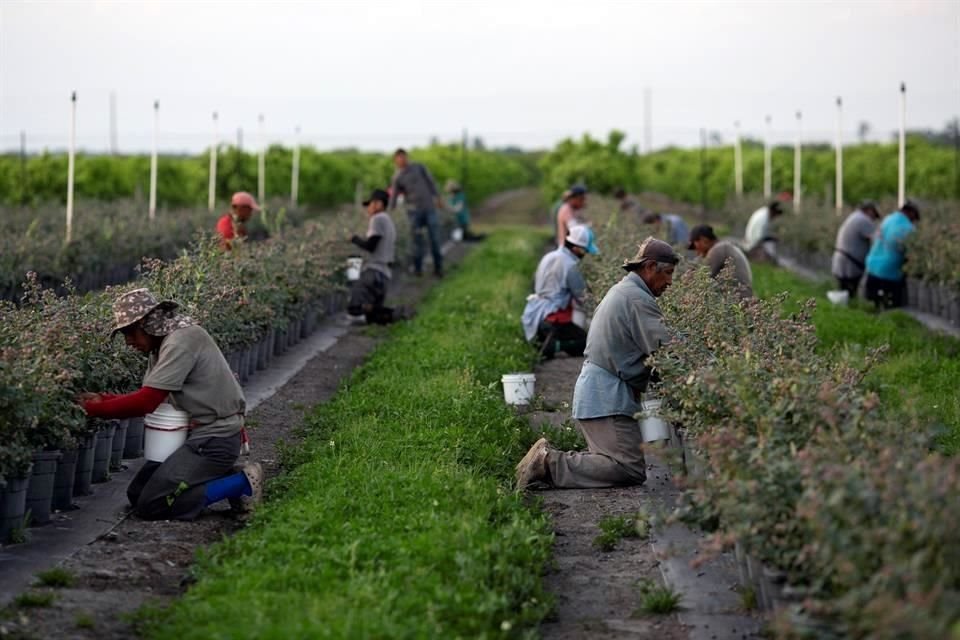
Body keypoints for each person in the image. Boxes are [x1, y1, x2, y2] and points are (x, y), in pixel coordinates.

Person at [79, 289, 261, 520]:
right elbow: (151, 394)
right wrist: (103, 398)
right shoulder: (163, 344)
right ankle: (220, 475)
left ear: (146, 324)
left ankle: (241, 484)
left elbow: (146, 402)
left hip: (216, 439)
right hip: (199, 436)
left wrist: (93, 409)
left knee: (153, 504)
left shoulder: (180, 342)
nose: (128, 341)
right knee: (137, 494)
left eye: (130, 332)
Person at [516, 237, 679, 490]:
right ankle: (549, 463)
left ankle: (549, 462)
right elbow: (669, 352)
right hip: (607, 399)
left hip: (601, 394)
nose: (670, 282)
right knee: (627, 467)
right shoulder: (637, 299)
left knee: (619, 463)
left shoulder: (625, 291)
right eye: (667, 273)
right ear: (649, 267)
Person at [521, 225, 597, 359]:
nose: (585, 254)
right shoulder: (571, 266)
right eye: (585, 251)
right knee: (586, 344)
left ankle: (543, 342)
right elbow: (582, 297)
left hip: (535, 313)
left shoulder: (549, 256)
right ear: (576, 248)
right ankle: (553, 346)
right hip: (554, 317)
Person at [348, 188, 407, 324]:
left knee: (354, 309)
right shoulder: (388, 221)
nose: (367, 208)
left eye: (370, 204)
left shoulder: (378, 218)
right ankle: (394, 314)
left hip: (374, 273)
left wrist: (353, 239)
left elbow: (371, 246)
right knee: (371, 316)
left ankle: (392, 313)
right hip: (383, 276)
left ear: (379, 204)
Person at [389, 149, 444, 277]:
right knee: (416, 240)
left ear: (407, 157)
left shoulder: (419, 167)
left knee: (434, 238)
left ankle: (438, 268)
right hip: (413, 212)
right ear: (395, 161)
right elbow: (394, 196)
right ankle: (418, 269)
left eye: (404, 157)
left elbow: (431, 183)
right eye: (399, 158)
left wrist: (438, 197)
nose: (402, 160)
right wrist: (390, 212)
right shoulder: (397, 177)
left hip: (429, 208)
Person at [864, 200, 920, 309]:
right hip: (889, 272)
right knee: (891, 307)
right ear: (911, 213)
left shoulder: (888, 219)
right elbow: (908, 251)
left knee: (872, 306)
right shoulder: (908, 228)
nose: (914, 221)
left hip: (872, 266)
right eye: (915, 217)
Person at [688, 224, 753, 299]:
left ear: (703, 240)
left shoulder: (718, 249)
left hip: (738, 301)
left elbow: (701, 279)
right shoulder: (725, 246)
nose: (697, 252)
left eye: (694, 246)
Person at [831, 201, 880, 297]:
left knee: (844, 293)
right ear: (869, 211)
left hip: (842, 261)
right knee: (849, 293)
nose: (873, 219)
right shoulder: (863, 220)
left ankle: (842, 309)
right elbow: (877, 240)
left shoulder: (854, 216)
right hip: (850, 265)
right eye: (874, 215)